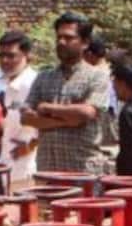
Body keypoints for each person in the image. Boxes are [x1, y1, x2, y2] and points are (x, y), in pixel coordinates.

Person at [22, 11, 114, 176]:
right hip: (48, 169)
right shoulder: (44, 77)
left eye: (69, 38)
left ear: (85, 42)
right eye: (58, 38)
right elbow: (26, 117)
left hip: (83, 169)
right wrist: (69, 121)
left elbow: (87, 112)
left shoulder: (97, 76)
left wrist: (46, 107)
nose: (61, 42)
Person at [0, 30, 38, 185]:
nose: (5, 61)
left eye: (11, 56)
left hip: (27, 167)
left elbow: (49, 127)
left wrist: (30, 146)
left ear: (26, 56)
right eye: (1, 56)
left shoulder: (35, 84)